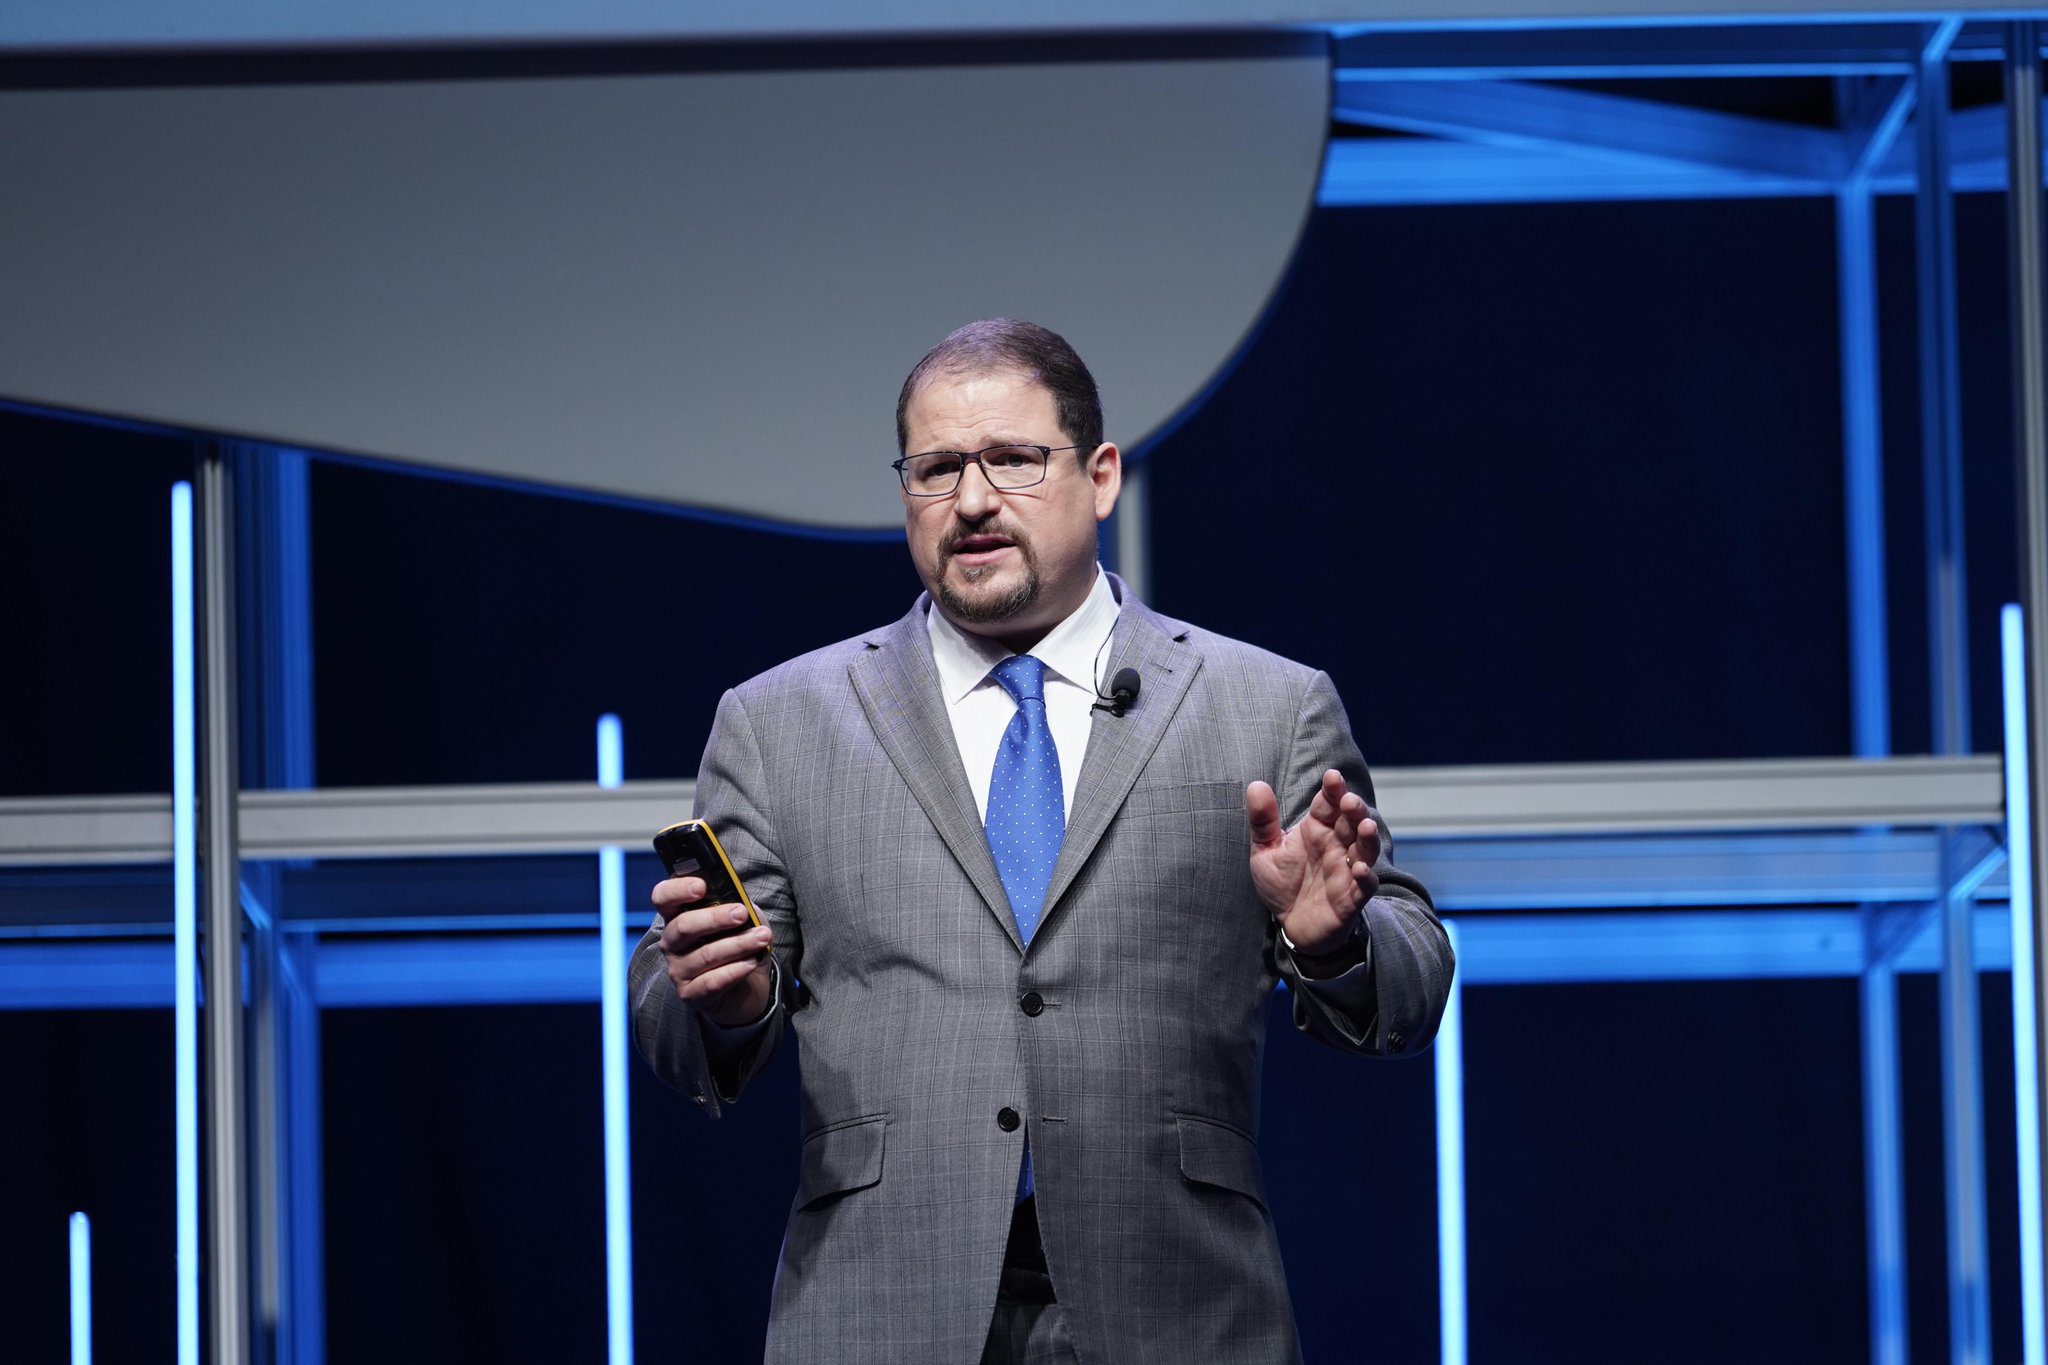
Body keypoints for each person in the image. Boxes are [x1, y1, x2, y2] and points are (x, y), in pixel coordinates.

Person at [629, 318, 1453, 1364]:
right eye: (936, 469)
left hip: (1181, 1309)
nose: (971, 500)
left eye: (1012, 459)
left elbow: (1413, 979)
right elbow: (671, 1014)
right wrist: (727, 1002)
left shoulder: (1264, 704)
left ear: (1100, 476)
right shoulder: (780, 722)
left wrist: (1331, 945)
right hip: (882, 1311)